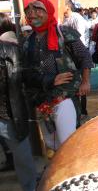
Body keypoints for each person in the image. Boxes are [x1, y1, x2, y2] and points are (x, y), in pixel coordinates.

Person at [22, 0, 93, 150]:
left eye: (38, 10)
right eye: (29, 11)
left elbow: (84, 56)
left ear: (49, 11)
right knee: (51, 143)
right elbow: (27, 73)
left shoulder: (63, 33)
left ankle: (71, 169)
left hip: (64, 96)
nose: (32, 14)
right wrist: (50, 80)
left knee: (67, 142)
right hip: (41, 98)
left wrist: (85, 81)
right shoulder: (28, 41)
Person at [0, 13, 37, 191]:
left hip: (10, 113)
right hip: (8, 112)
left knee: (23, 157)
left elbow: (28, 77)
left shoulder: (12, 50)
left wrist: (50, 82)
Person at [63, 0, 91, 117]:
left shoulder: (77, 18)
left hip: (78, 54)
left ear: (67, 6)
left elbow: (78, 41)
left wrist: (85, 81)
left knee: (80, 87)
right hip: (69, 58)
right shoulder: (62, 19)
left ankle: (82, 110)